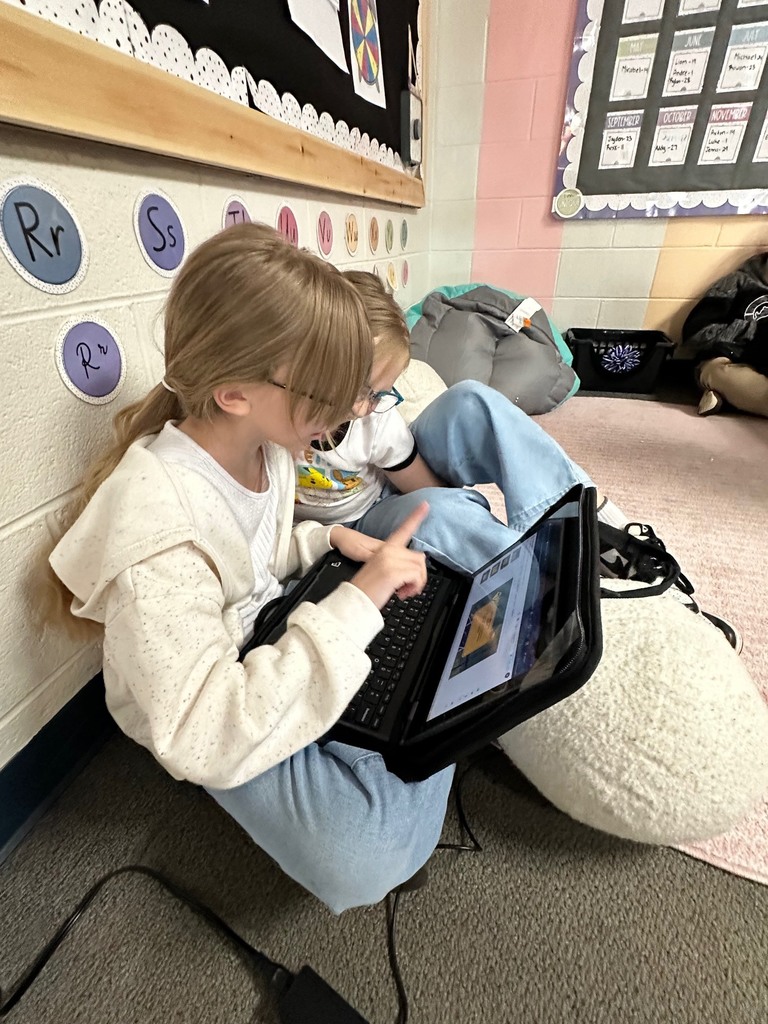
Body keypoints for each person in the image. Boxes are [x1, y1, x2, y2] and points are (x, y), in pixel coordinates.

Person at [44, 224, 455, 915]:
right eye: (331, 389)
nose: (349, 412)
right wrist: (358, 605)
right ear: (235, 392)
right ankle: (406, 739)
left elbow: (256, 561)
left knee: (436, 574)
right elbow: (204, 729)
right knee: (366, 856)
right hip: (217, 706)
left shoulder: (268, 445)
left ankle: (403, 727)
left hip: (271, 629)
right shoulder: (158, 529)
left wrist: (327, 548)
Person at [294, 269, 628, 573]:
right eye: (363, 392)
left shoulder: (376, 419)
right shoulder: (273, 432)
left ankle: (594, 527)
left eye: (379, 395)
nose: (368, 408)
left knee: (470, 401)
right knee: (439, 517)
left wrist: (459, 506)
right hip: (350, 530)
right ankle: (542, 579)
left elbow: (425, 488)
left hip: (384, 493)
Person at [682, 251, 768, 418]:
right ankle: (727, 395)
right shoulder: (736, 282)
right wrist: (754, 332)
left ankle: (724, 399)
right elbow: (696, 334)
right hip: (725, 361)